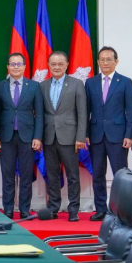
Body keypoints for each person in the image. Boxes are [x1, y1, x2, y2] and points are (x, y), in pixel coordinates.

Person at [84, 46, 132, 221]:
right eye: (102, 60)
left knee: (120, 175)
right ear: (98, 62)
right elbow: (86, 110)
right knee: (98, 174)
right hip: (96, 135)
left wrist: (129, 135)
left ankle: (122, 212)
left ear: (116, 62)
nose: (105, 63)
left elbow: (130, 110)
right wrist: (85, 133)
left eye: (109, 59)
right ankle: (100, 209)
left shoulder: (125, 82)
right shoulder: (90, 83)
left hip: (118, 136)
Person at [40, 51, 87, 221]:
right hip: (48, 137)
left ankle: (73, 209)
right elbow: (40, 113)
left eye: (60, 64)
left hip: (70, 137)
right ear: (48, 65)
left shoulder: (76, 84)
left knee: (72, 175)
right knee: (52, 174)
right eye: (53, 64)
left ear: (67, 65)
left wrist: (80, 137)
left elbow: (82, 112)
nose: (57, 67)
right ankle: (53, 207)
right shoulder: (42, 85)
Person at [0, 53, 43, 218]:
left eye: (19, 64)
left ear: (24, 67)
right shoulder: (0, 86)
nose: (15, 67)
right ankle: (8, 209)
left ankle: (24, 209)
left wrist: (37, 137)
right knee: (7, 175)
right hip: (5, 137)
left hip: (27, 137)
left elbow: (39, 114)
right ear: (8, 67)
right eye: (12, 64)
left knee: (26, 175)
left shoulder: (34, 86)